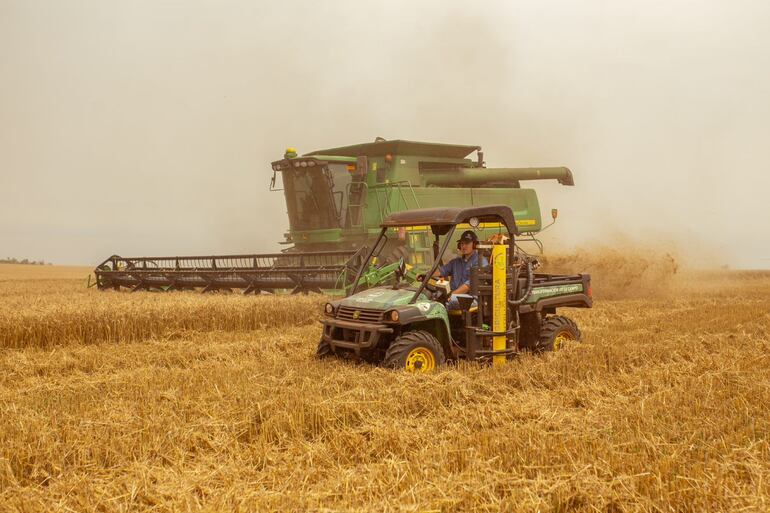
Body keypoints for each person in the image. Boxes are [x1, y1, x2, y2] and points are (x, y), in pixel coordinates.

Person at [436, 230, 488, 310]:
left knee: (444, 303)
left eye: (467, 243)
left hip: (471, 298)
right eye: (462, 243)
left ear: (474, 245)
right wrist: (426, 275)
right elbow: (441, 271)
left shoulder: (480, 262)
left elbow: (469, 285)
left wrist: (451, 295)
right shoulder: (455, 262)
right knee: (432, 297)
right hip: (454, 295)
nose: (463, 246)